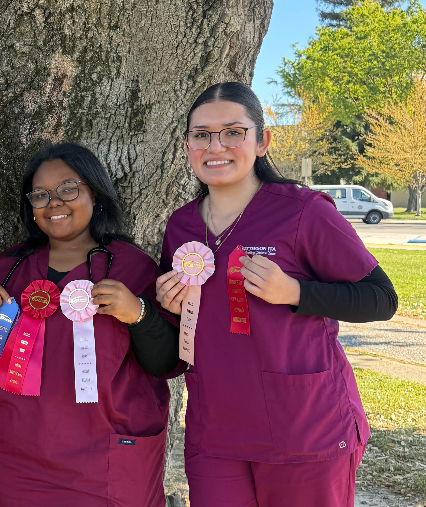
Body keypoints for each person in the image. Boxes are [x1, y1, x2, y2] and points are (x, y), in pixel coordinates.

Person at [156, 82, 398, 507]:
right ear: (187, 145)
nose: (217, 146)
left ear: (262, 141)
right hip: (216, 431)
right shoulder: (181, 228)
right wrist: (167, 302)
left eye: (233, 131)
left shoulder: (303, 211)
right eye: (201, 135)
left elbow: (381, 297)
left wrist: (295, 292)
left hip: (304, 426)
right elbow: (188, 328)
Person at [0, 143, 182, 507]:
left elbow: (166, 364)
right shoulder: (5, 269)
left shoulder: (136, 269)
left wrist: (139, 313)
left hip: (103, 463)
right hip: (17, 455)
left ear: (94, 193)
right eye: (40, 195)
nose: (54, 202)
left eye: (68, 188)